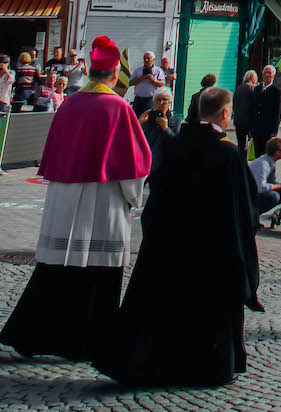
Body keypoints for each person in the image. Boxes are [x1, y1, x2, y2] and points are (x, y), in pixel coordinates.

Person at [94, 86, 261, 387]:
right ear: (225, 114)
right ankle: (205, 367)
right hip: (211, 253)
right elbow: (243, 210)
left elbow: (154, 194)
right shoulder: (228, 154)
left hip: (168, 247)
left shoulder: (175, 145)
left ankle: (152, 364)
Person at [0, 34, 151, 363]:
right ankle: (92, 342)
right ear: (114, 75)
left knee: (55, 272)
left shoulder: (69, 103)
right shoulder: (118, 107)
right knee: (97, 275)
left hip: (65, 199)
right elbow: (135, 165)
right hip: (103, 201)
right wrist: (133, 197)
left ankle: (32, 335)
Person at [139, 86, 181, 174]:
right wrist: (139, 123)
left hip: (166, 166)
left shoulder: (175, 121)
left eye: (164, 100)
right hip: (149, 164)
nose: (161, 103)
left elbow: (176, 143)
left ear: (169, 102)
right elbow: (138, 140)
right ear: (154, 103)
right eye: (158, 100)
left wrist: (166, 129)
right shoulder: (148, 118)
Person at [249, 136, 281, 217]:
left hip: (255, 191)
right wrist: (280, 186)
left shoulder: (271, 162)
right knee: (274, 197)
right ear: (277, 153)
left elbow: (271, 181)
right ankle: (252, 216)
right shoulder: (263, 164)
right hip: (249, 193)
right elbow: (261, 188)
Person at [251, 65, 281, 159]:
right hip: (256, 129)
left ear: (273, 75)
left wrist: (274, 131)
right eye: (265, 72)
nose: (267, 75)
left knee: (267, 156)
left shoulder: (277, 91)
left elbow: (277, 113)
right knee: (257, 155)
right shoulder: (257, 89)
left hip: (268, 130)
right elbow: (252, 108)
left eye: (270, 73)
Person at [128, 51, 166, 118]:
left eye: (148, 58)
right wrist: (139, 79)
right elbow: (130, 83)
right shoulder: (138, 70)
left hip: (150, 100)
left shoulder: (158, 71)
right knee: (136, 119)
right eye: (145, 58)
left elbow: (162, 84)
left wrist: (153, 80)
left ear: (153, 59)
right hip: (138, 100)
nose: (146, 60)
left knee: (148, 119)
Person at [233, 70, 258, 156]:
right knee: (251, 144)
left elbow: (234, 103)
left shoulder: (239, 88)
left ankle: (241, 162)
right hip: (249, 121)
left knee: (241, 145)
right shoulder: (254, 88)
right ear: (253, 78)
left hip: (238, 120)